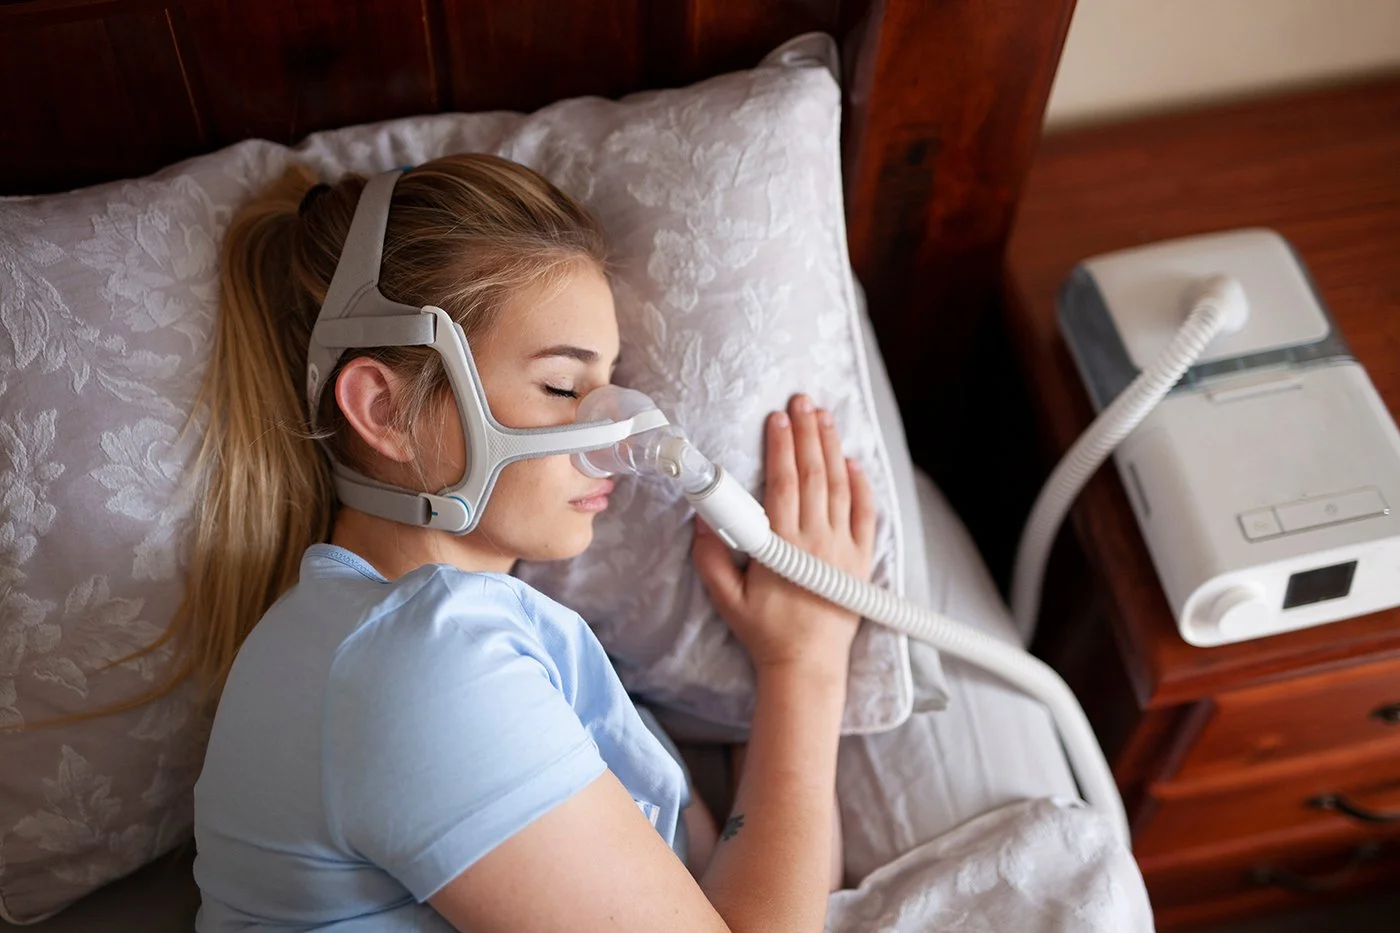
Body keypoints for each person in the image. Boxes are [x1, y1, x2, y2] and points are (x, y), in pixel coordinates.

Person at [186, 153, 877, 932]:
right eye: (561, 386)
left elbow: (758, 896)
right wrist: (807, 668)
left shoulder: (500, 654)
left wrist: (797, 662)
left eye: (610, 381)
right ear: (384, 408)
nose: (617, 430)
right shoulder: (419, 664)